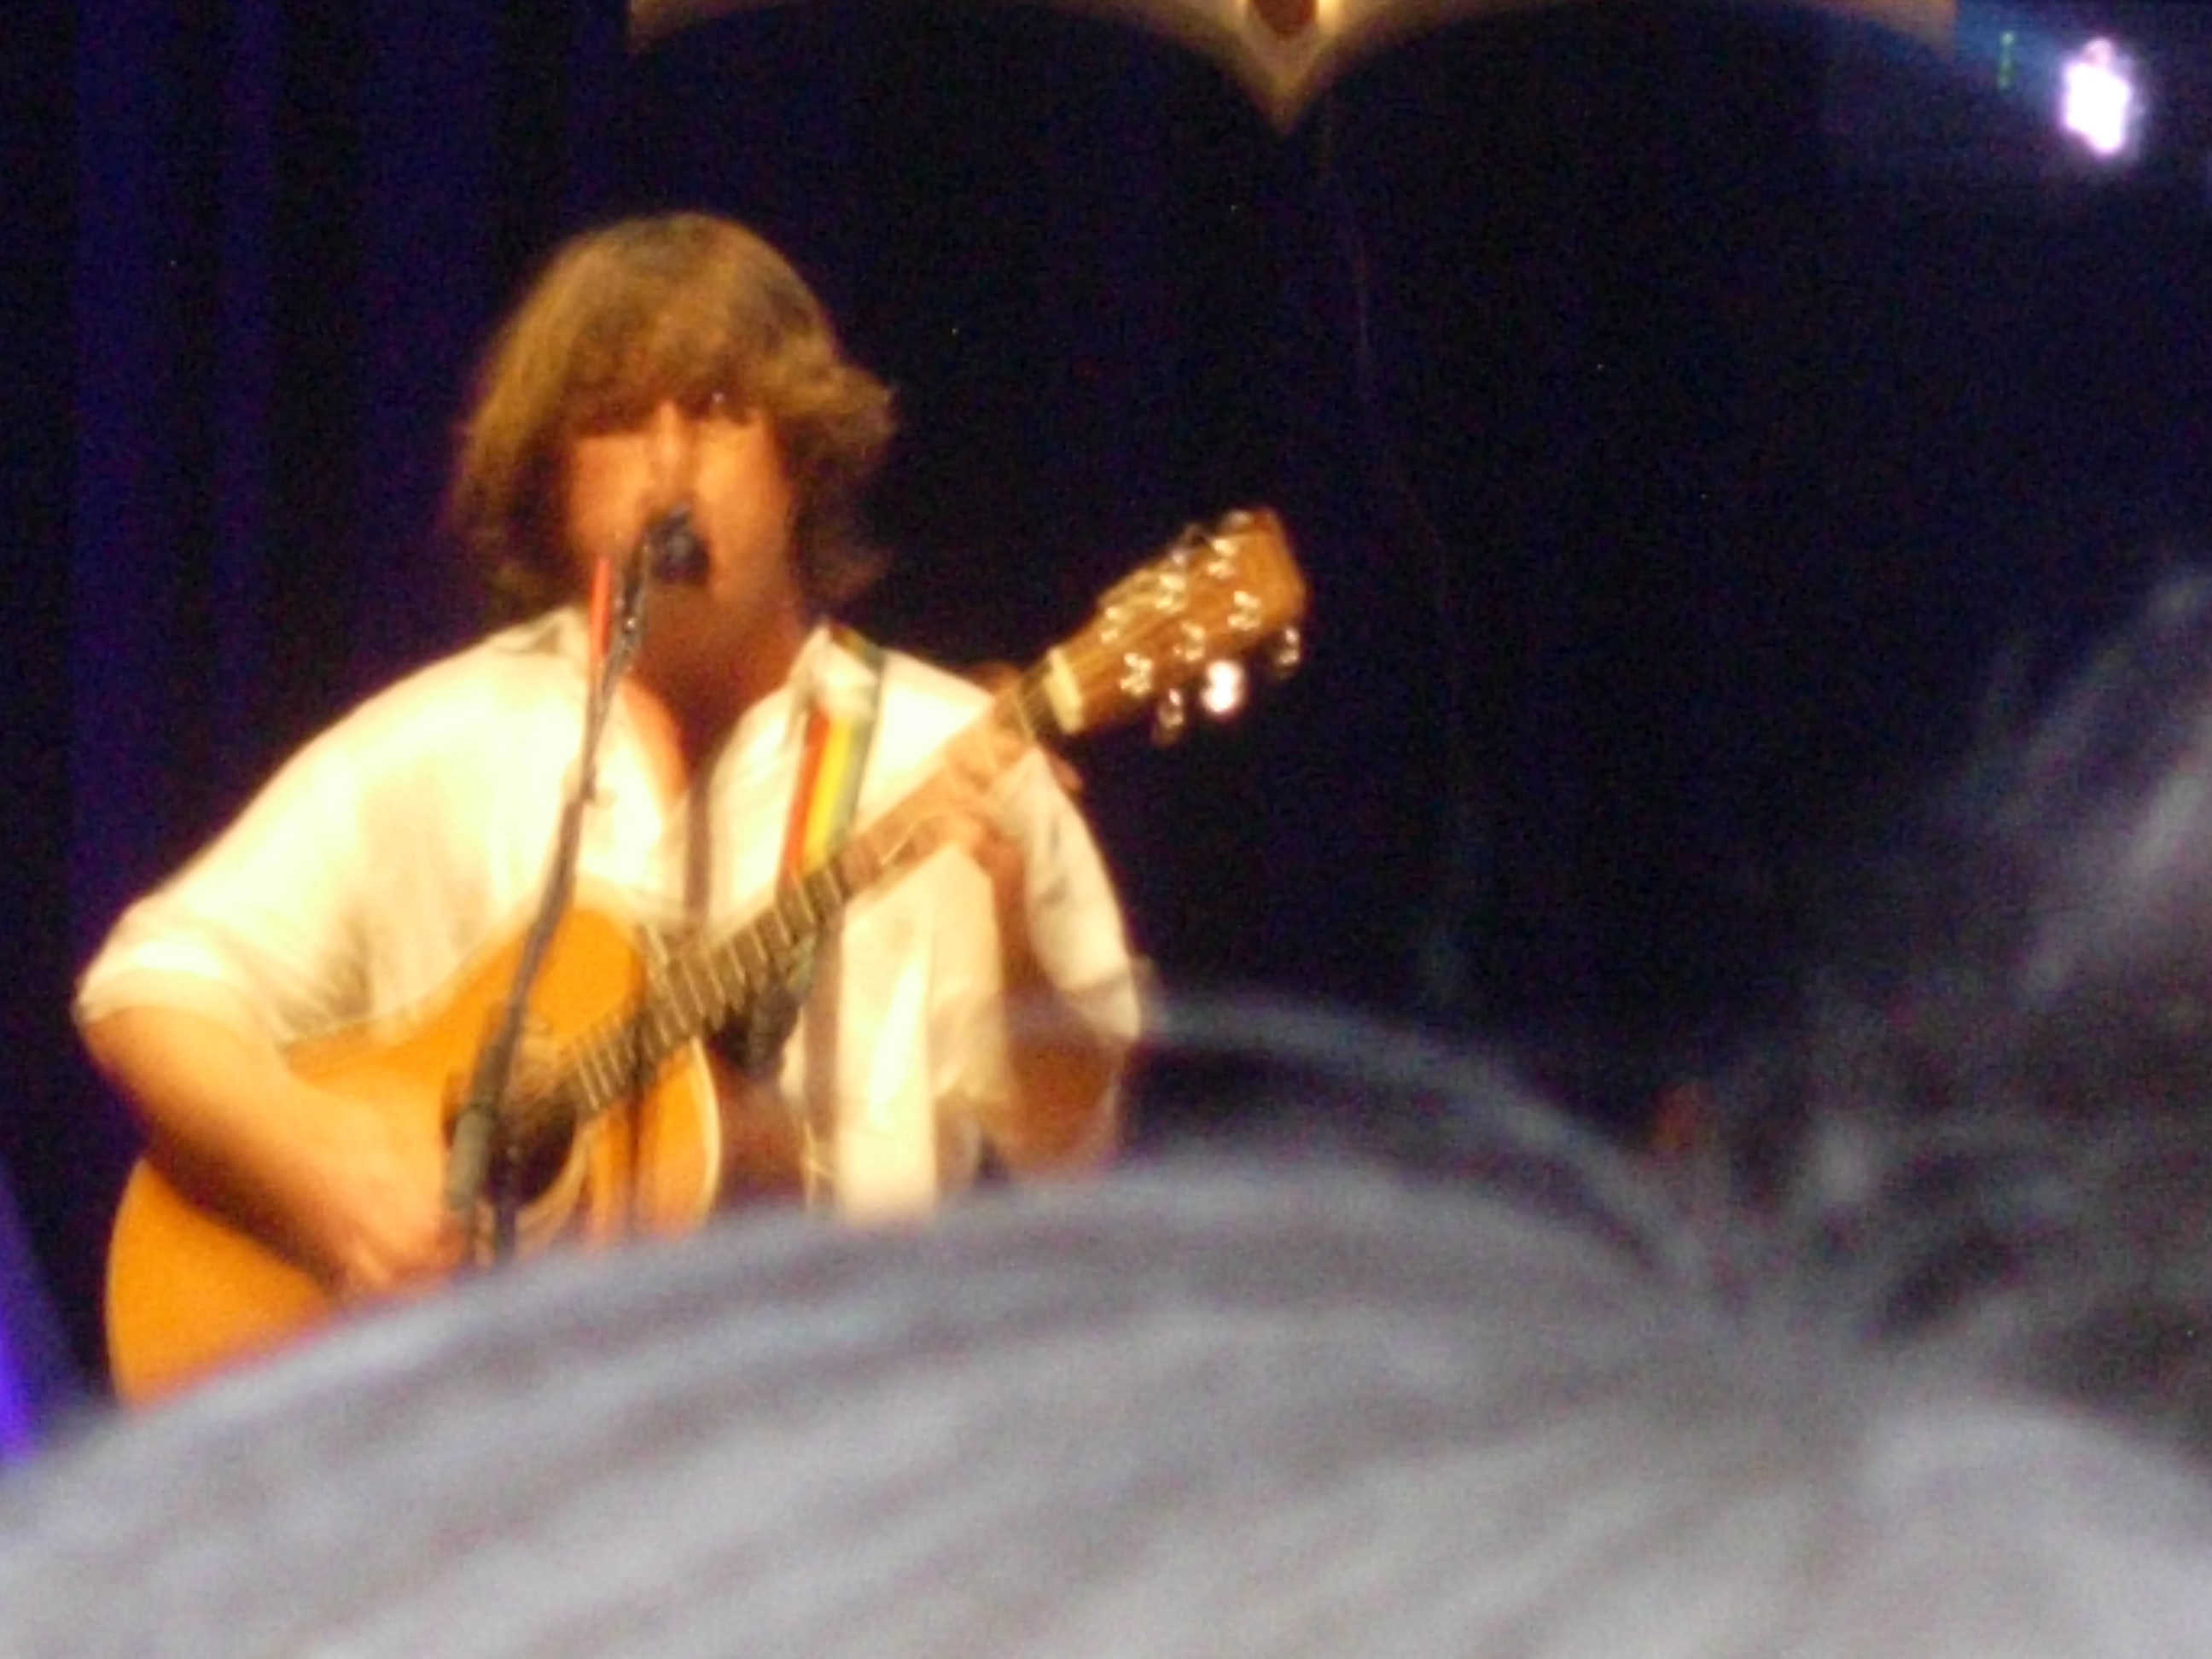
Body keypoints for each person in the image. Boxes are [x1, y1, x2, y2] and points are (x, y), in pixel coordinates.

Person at [73, 211, 1141, 1313]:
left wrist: (1016, 941)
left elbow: (1074, 1150)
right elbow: (148, 987)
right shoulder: (450, 741)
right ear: (553, 479)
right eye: (618, 422)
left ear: (801, 460)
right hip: (484, 1408)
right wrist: (322, 1176)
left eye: (719, 411)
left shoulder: (948, 754)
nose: (668, 469)